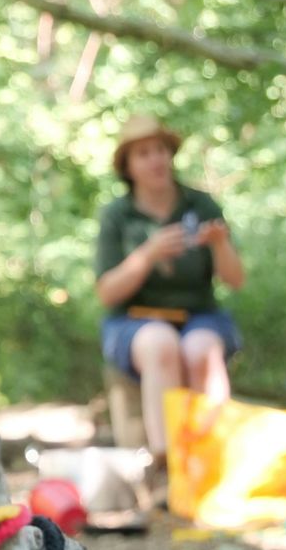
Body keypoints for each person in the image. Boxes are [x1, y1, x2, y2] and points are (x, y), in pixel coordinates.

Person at [95, 114, 245, 475]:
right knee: (159, 344)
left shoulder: (200, 205)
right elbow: (106, 292)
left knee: (201, 351)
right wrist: (147, 255)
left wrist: (221, 245)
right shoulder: (118, 215)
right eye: (144, 153)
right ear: (128, 166)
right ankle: (168, 465)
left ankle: (211, 460)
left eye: (160, 150)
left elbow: (235, 279)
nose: (156, 159)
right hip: (134, 321)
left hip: (199, 316)